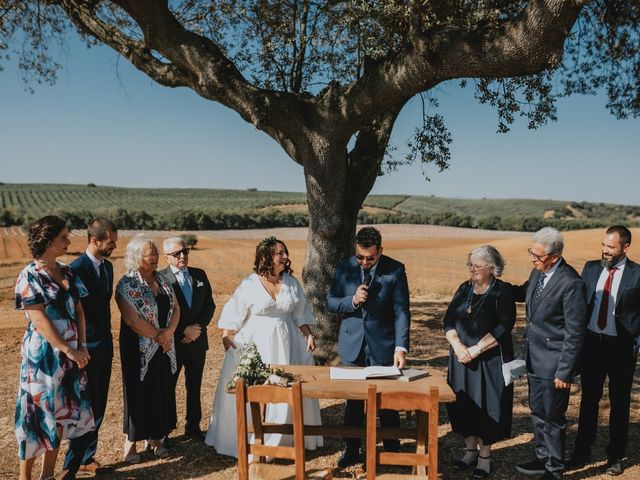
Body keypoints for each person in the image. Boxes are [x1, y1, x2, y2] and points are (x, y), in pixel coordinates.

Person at [205, 237, 322, 457]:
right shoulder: (250, 284)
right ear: (266, 257)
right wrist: (227, 338)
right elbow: (233, 315)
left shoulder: (292, 283)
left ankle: (284, 439)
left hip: (288, 344)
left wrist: (308, 335)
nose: (285, 257)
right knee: (257, 389)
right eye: (280, 253)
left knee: (287, 388)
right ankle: (251, 439)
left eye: (285, 252)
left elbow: (300, 314)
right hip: (257, 343)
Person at [14, 215, 94, 480]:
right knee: (36, 415)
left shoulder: (68, 271)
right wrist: (68, 350)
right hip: (43, 359)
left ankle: (48, 475)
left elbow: (79, 312)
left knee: (61, 413)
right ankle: (25, 477)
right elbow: (39, 319)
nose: (68, 241)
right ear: (48, 241)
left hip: (71, 355)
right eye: (63, 237)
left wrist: (80, 346)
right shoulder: (29, 276)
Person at [326, 226, 411, 468]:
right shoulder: (345, 268)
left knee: (387, 402)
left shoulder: (395, 270)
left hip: (384, 345)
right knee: (352, 403)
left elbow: (401, 311)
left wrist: (400, 347)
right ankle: (352, 449)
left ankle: (392, 450)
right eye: (360, 257)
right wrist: (351, 300)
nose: (364, 262)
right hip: (352, 344)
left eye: (370, 258)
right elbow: (330, 302)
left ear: (380, 251)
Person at [514, 227, 587, 480]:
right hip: (533, 358)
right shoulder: (538, 272)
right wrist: (492, 281)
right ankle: (543, 457)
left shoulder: (571, 283)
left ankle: (555, 469)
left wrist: (564, 371)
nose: (532, 260)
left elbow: (575, 333)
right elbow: (524, 293)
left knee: (553, 417)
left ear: (554, 256)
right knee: (537, 412)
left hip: (555, 364)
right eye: (531, 253)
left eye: (537, 255)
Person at [567, 225, 640, 476]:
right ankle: (581, 451)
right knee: (589, 400)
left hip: (621, 349)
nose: (604, 250)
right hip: (592, 347)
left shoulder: (637, 274)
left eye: (610, 247)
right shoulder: (590, 268)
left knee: (619, 404)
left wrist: (636, 342)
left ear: (625, 248)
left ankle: (616, 456)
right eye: (603, 245)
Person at [444, 246, 516, 479]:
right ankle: (469, 452)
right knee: (463, 405)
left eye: (477, 264)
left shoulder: (502, 291)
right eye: (470, 264)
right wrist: (457, 346)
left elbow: (504, 327)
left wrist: (474, 349)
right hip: (460, 360)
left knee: (488, 407)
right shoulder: (464, 288)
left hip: (490, 362)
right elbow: (448, 320)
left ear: (492, 267)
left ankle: (484, 457)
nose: (472, 268)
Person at [60, 219, 117, 479]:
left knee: (101, 405)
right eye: (111, 241)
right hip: (85, 348)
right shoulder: (74, 270)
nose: (114, 245)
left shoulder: (108, 268)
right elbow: (73, 312)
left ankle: (87, 458)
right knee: (85, 406)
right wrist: (78, 347)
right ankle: (71, 464)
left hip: (105, 346)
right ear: (94, 240)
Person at [115, 235, 180, 462]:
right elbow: (132, 320)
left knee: (159, 390)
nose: (155, 257)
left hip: (162, 346)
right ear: (136, 257)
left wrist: (169, 333)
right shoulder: (126, 284)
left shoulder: (162, 279)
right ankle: (130, 444)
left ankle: (155, 440)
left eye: (155, 253)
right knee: (137, 393)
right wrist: (160, 337)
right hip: (138, 348)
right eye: (150, 253)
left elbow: (176, 307)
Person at [160, 237, 215, 442]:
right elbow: (161, 313)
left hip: (197, 342)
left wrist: (197, 329)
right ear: (167, 257)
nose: (182, 256)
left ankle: (193, 427)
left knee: (194, 386)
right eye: (177, 254)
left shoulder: (199, 275)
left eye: (185, 251)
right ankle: (164, 430)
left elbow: (210, 305)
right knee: (168, 387)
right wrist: (183, 330)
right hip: (172, 344)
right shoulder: (161, 279)